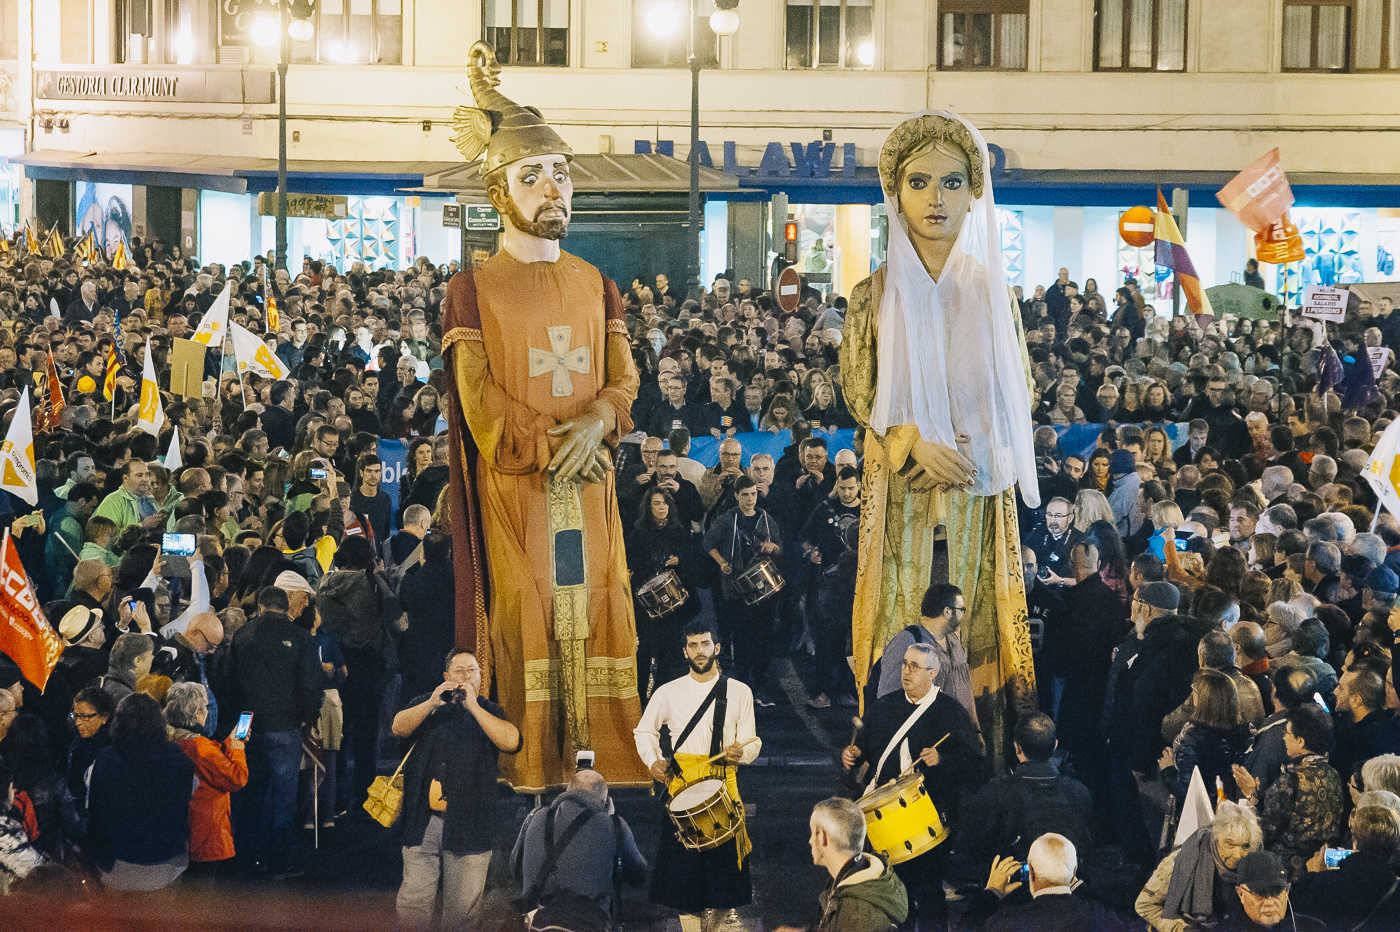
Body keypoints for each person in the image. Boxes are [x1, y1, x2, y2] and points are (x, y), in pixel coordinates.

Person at [442, 43, 646, 789]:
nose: (552, 186)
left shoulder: (597, 281)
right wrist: (554, 441)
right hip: (521, 486)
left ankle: (604, 757)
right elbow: (481, 399)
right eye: (533, 175)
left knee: (597, 609)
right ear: (501, 192)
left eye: (560, 173)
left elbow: (624, 377)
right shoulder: (472, 289)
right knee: (531, 611)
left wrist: (599, 420)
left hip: (589, 481)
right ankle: (532, 758)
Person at [842, 111, 1038, 765]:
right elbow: (860, 393)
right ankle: (890, 762)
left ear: (972, 194)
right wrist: (908, 445)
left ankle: (979, 768)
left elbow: (1021, 391)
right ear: (895, 193)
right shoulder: (871, 297)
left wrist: (974, 454)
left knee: (973, 636)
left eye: (951, 183)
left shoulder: (993, 295)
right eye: (919, 181)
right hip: (902, 500)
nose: (935, 198)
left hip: (977, 501)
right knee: (904, 634)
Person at [841, 643, 982, 925]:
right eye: (905, 664)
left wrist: (942, 760)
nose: (906, 671)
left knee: (929, 893)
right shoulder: (884, 708)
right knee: (891, 895)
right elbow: (865, 752)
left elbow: (976, 768)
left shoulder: (951, 714)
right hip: (883, 820)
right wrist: (851, 757)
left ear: (933, 674)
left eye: (914, 666)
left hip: (929, 816)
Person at [634, 620, 761, 932]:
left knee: (724, 881)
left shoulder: (739, 691)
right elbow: (644, 731)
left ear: (716, 647)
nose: (699, 651)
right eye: (693, 645)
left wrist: (740, 753)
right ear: (684, 651)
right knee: (684, 882)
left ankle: (720, 926)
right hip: (682, 792)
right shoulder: (668, 692)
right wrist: (653, 761)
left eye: (705, 644)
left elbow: (753, 741)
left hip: (723, 790)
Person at [391, 650, 522, 928]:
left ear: (480, 676)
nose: (465, 677)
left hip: (470, 825)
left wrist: (474, 707)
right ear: (445, 677)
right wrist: (430, 704)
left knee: (462, 913)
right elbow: (398, 727)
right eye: (459, 671)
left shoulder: (489, 710)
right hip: (422, 823)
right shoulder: (427, 706)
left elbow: (512, 741)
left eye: (472, 671)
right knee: (413, 905)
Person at [229, 585, 321, 876]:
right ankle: (279, 860)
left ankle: (245, 855)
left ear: (259, 606)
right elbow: (310, 685)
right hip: (285, 724)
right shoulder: (301, 638)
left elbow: (229, 681)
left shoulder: (243, 635)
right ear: (287, 608)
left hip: (245, 723)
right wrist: (308, 718)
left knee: (248, 788)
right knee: (284, 794)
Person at [511, 768, 648, 929]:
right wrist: (611, 822)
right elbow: (639, 877)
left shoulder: (535, 816)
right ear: (605, 800)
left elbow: (515, 870)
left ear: (567, 791)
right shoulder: (615, 825)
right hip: (588, 924)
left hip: (535, 923)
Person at [86, 693, 195, 891]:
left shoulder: (102, 762)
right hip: (167, 864)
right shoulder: (180, 760)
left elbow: (93, 812)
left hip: (116, 865)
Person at [959, 713, 1094, 864]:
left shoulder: (996, 793)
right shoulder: (1079, 792)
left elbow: (970, 844)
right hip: (1069, 882)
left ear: (1017, 747)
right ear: (1055, 745)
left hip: (1016, 884)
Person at [1236, 704, 1345, 880]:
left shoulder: (1290, 782)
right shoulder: (1334, 775)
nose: (1284, 738)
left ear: (1301, 741)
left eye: (1287, 733)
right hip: (1323, 870)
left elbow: (1265, 832)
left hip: (1285, 874)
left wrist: (1251, 796)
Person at [703, 476, 783, 705]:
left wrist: (774, 547)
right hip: (737, 591)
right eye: (745, 494)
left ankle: (759, 689)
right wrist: (722, 563)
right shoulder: (727, 520)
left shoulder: (767, 519)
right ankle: (742, 689)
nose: (750, 499)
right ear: (737, 496)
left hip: (765, 591)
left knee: (764, 640)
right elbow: (708, 543)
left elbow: (780, 547)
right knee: (742, 641)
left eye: (753, 494)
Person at [774, 797, 908, 932]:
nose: (810, 841)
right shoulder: (854, 878)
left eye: (813, 833)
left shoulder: (855, 915)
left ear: (822, 837)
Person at [1135, 800, 1263, 931]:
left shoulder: (1252, 868)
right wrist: (1181, 929)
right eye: (1229, 844)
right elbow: (1145, 905)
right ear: (1217, 838)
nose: (1237, 855)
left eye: (1245, 846)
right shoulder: (1181, 861)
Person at [163, 682, 247, 877]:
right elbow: (236, 778)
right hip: (206, 834)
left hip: (177, 834)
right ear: (197, 713)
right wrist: (237, 746)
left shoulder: (169, 742)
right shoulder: (201, 748)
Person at [965, 833, 1132, 931]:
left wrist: (992, 893)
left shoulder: (1005, 922)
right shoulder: (1100, 917)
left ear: (1031, 874)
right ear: (1074, 873)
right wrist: (1080, 888)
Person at [627, 488, 701, 700]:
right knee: (646, 650)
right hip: (647, 605)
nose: (661, 507)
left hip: (674, 607)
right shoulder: (638, 533)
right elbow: (631, 561)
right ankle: (641, 697)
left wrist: (680, 561)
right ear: (648, 508)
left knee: (670, 651)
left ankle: (665, 695)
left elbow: (692, 560)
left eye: (664, 503)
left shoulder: (680, 532)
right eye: (656, 503)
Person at [1291, 804, 1400, 929]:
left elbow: (1298, 918)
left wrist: (1313, 877)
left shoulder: (1324, 884)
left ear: (1355, 841)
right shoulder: (1395, 890)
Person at [1227, 850, 1326, 930]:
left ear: (1287, 891)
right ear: (1240, 894)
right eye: (1259, 893)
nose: (1269, 902)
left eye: (1276, 892)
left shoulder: (1314, 928)